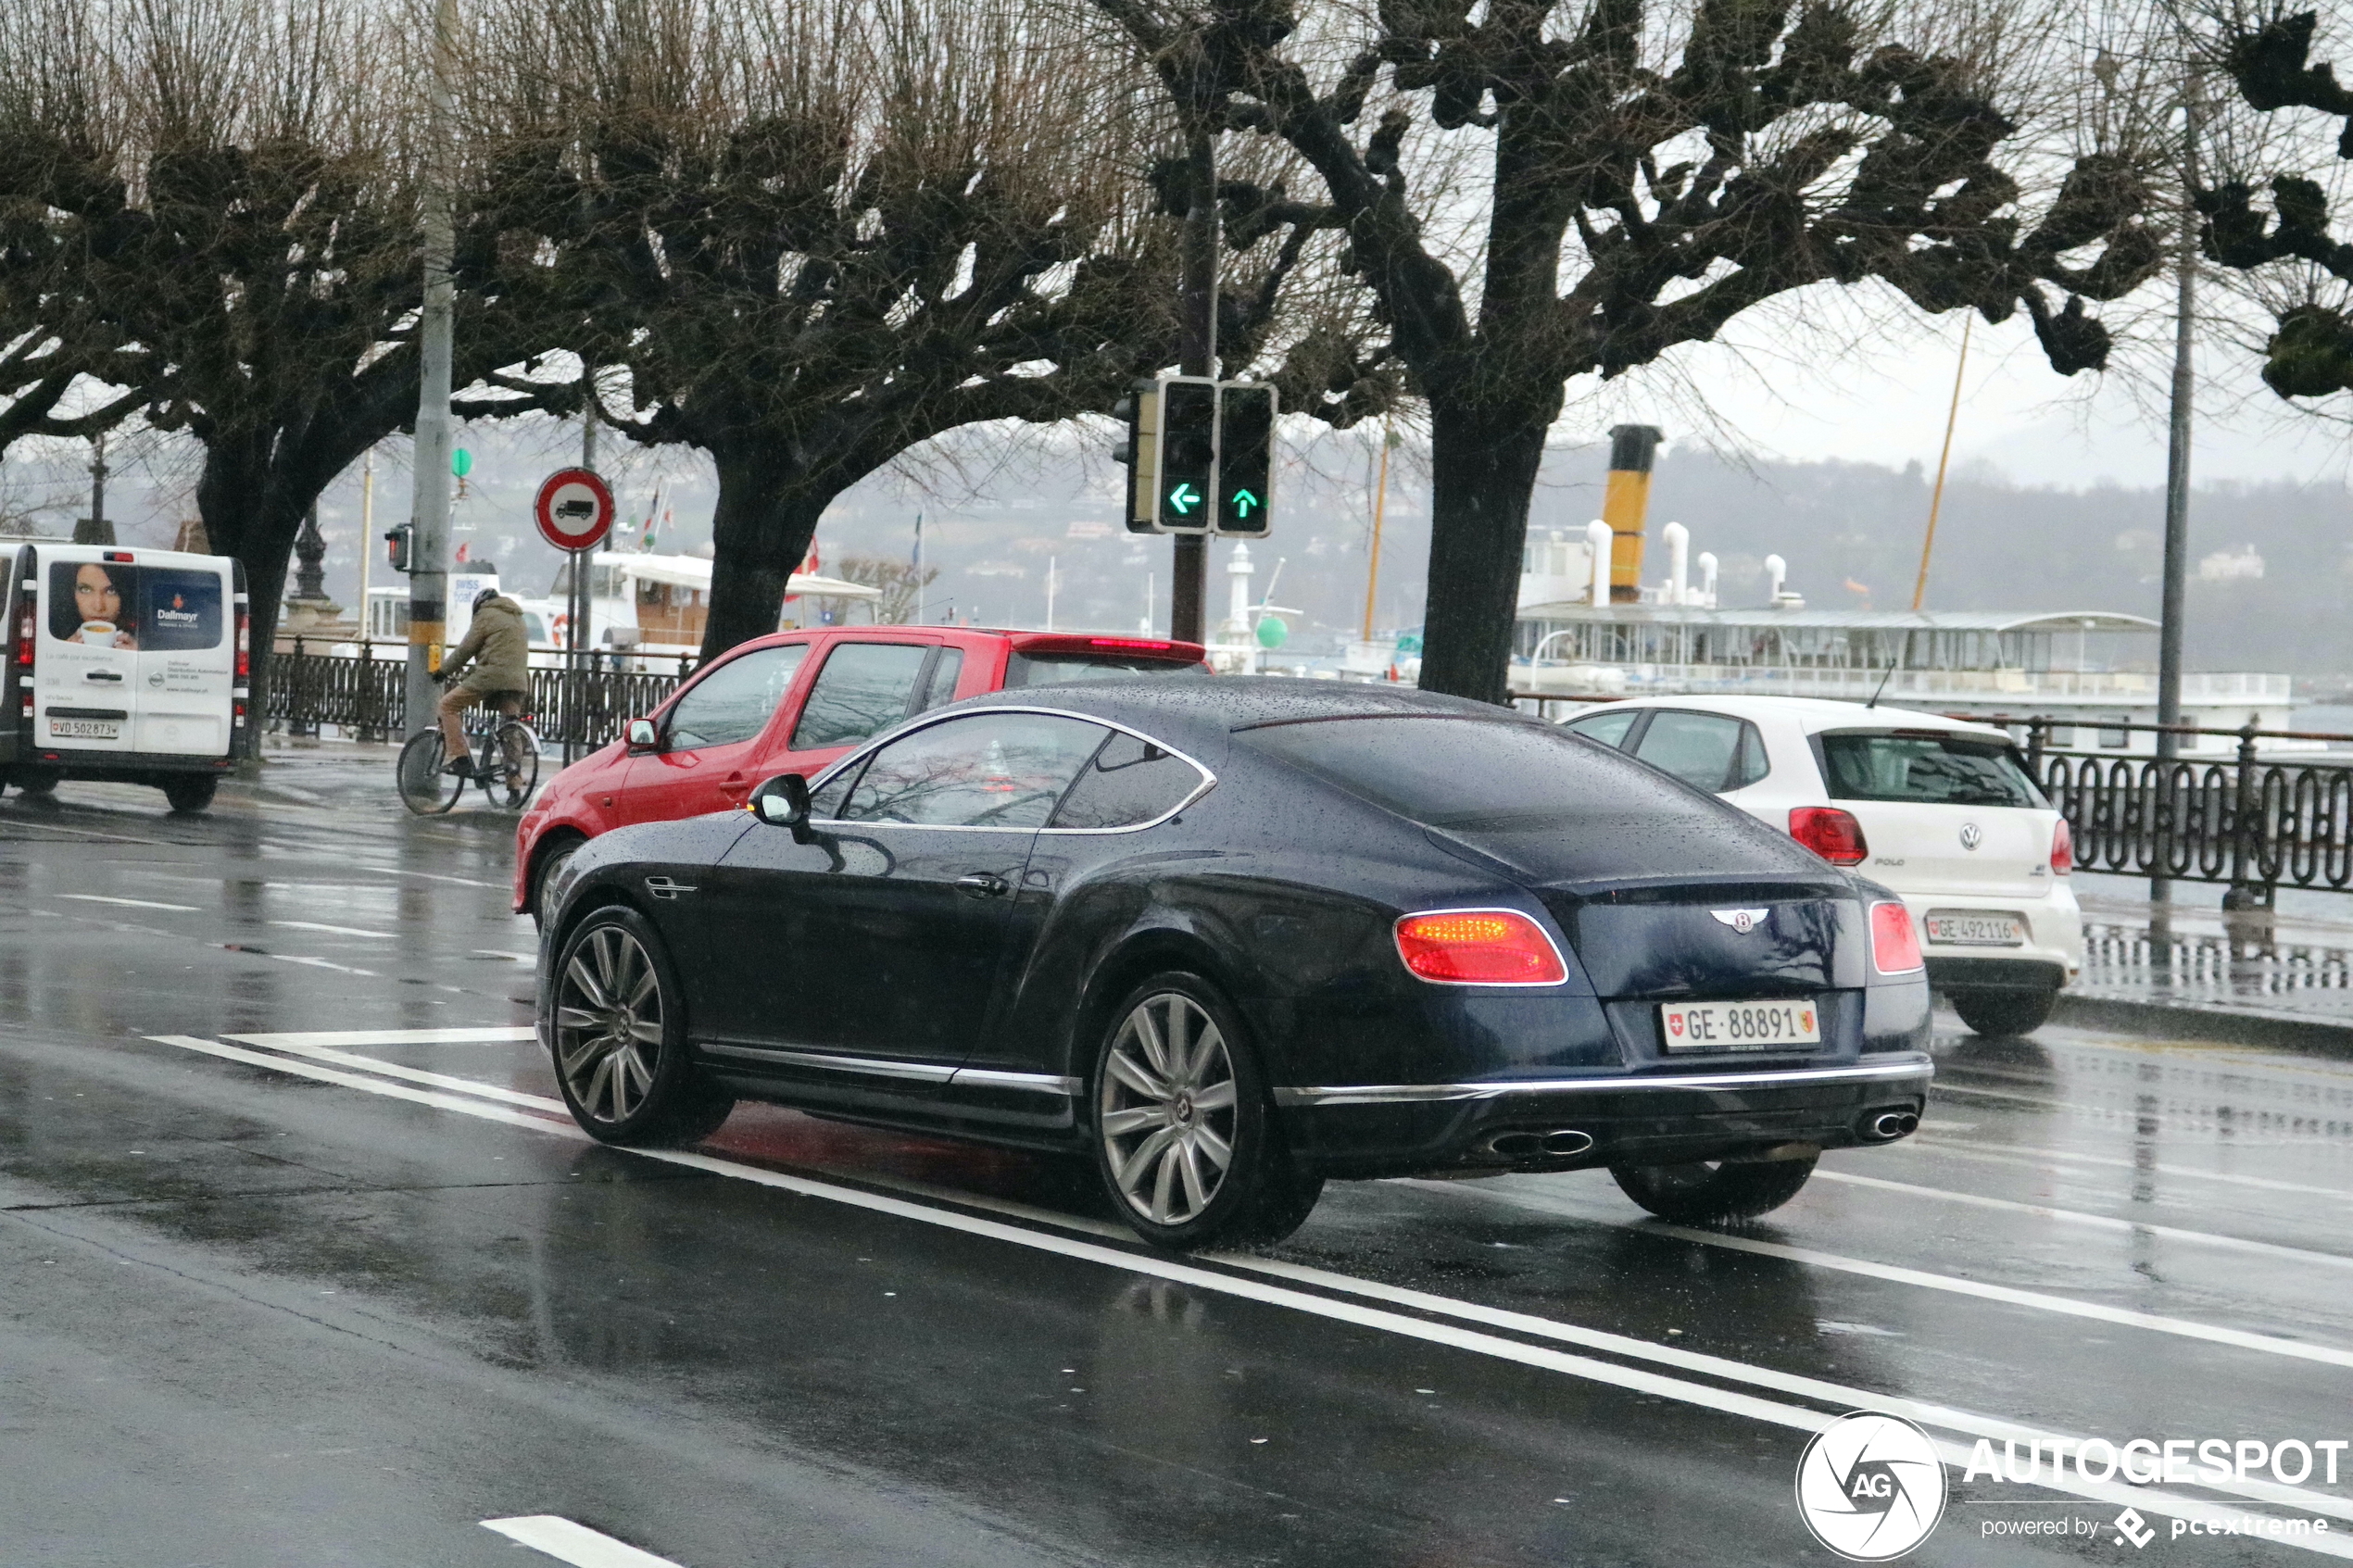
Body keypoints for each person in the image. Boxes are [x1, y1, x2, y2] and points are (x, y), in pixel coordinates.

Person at [435, 587, 531, 795]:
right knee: (510, 727)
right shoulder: (516, 617)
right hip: (518, 681)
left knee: (448, 705)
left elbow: (466, 649)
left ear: (479, 604)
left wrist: (443, 671)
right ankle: (514, 784)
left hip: (492, 678)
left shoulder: (485, 615)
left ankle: (459, 758)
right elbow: (497, 653)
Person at [58, 562, 138, 648]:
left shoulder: (143, 638)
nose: (98, 607)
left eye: (111, 591)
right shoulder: (50, 638)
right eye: (85, 590)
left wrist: (140, 658)